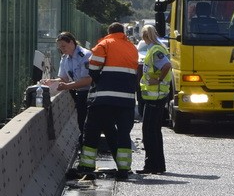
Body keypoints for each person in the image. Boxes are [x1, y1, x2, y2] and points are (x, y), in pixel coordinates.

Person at [67, 22, 139, 182]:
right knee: (123, 133)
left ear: (109, 31)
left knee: (91, 130)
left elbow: (93, 69)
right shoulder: (132, 48)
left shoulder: (104, 44)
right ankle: (124, 169)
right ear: (123, 32)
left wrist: (99, 82)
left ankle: (86, 166)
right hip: (126, 100)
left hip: (104, 99)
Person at [45, 31, 92, 146]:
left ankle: (87, 147)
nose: (62, 49)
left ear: (71, 42)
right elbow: (64, 78)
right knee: (81, 122)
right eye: (60, 47)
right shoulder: (65, 58)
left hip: (89, 94)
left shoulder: (85, 56)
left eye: (63, 46)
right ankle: (84, 147)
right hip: (78, 94)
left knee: (89, 124)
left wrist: (68, 86)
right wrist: (52, 81)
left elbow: (87, 80)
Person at [137, 24, 171, 175]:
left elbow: (166, 66)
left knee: (149, 131)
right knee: (155, 131)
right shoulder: (157, 48)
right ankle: (158, 165)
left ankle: (151, 165)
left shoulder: (155, 50)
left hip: (155, 96)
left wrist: (158, 80)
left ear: (145, 37)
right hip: (156, 96)